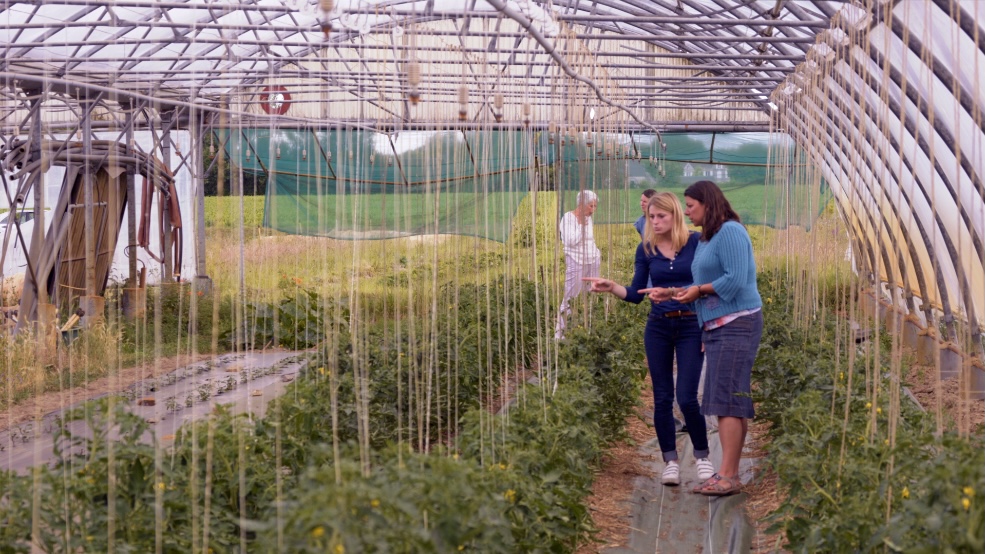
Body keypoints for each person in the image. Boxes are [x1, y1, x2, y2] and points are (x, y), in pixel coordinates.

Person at [583, 192, 713, 486]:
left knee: (688, 397)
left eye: (660, 216)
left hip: (692, 325)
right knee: (663, 397)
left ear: (675, 215)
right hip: (658, 327)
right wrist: (612, 286)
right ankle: (670, 461)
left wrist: (707, 327)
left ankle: (703, 457)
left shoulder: (697, 243)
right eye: (651, 217)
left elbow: (706, 287)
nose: (654, 222)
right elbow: (635, 294)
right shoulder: (646, 250)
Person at [667, 180, 763, 496]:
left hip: (737, 323)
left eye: (690, 206)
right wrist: (674, 292)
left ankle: (728, 476)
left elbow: (734, 281)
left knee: (726, 401)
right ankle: (728, 473)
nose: (686, 211)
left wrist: (698, 291)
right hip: (719, 325)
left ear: (708, 203)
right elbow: (705, 281)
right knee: (728, 399)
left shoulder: (731, 232)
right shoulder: (708, 238)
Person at [555, 190, 601, 340]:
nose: (593, 210)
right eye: (590, 206)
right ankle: (560, 334)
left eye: (595, 206)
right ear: (581, 205)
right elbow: (570, 241)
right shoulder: (568, 218)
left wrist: (596, 254)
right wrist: (580, 225)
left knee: (591, 293)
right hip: (576, 260)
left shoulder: (589, 218)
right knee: (571, 296)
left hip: (592, 259)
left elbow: (590, 239)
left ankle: (586, 330)